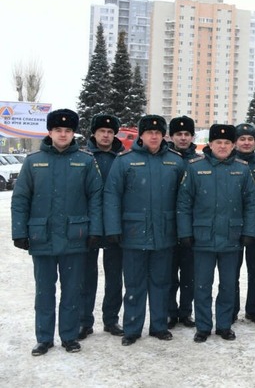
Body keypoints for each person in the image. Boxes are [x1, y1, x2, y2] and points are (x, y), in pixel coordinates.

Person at [11, 109, 103, 356]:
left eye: (68, 130)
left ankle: (69, 336)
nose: (63, 134)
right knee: (44, 291)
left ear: (74, 134)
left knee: (72, 291)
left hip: (75, 237)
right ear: (50, 132)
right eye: (58, 130)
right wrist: (19, 231)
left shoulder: (85, 161)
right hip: (42, 236)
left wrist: (95, 230)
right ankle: (44, 338)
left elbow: (96, 198)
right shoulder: (33, 161)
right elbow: (21, 199)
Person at [104, 115, 186, 346]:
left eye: (158, 132)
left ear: (163, 135)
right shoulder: (125, 161)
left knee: (161, 283)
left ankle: (159, 326)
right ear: (141, 135)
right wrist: (113, 228)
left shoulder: (175, 161)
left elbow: (184, 199)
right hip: (133, 233)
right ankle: (132, 328)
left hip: (165, 233)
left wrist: (182, 231)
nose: (154, 136)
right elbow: (112, 196)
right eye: (149, 132)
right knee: (134, 284)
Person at [177, 124, 255, 343]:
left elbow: (251, 204)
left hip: (232, 236)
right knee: (202, 285)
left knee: (228, 285)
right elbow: (184, 203)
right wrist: (185, 232)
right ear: (210, 144)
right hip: (202, 236)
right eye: (218, 142)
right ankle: (203, 326)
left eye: (227, 143)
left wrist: (249, 231)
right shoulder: (195, 168)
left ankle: (224, 325)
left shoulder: (242, 169)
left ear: (233, 145)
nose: (222, 146)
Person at [80, 114, 126, 340]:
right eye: (102, 132)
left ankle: (111, 319)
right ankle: (84, 321)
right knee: (86, 276)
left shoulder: (123, 158)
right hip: (89, 225)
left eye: (110, 132)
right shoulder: (83, 157)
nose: (106, 136)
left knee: (114, 277)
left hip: (115, 225)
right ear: (94, 134)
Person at [233, 123, 255, 323]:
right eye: (242, 139)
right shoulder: (229, 164)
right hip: (234, 226)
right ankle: (231, 309)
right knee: (231, 273)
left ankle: (254, 309)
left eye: (250, 139)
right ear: (235, 142)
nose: (246, 143)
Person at [166, 116, 197, 329]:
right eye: (179, 134)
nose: (183, 138)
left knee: (189, 274)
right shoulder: (165, 159)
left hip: (192, 227)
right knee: (168, 274)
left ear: (192, 136)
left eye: (187, 134)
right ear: (171, 136)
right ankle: (169, 312)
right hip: (168, 225)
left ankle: (186, 312)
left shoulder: (200, 161)